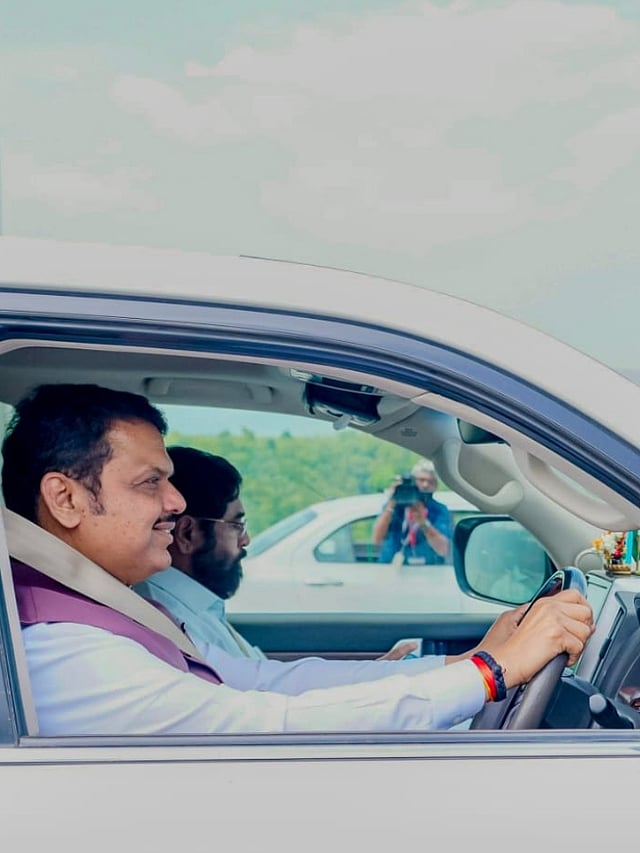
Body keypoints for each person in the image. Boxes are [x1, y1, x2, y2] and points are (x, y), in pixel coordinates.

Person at [1, 383, 594, 736]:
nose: (176, 504)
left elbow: (261, 681)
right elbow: (264, 728)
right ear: (66, 499)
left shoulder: (100, 614)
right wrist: (489, 675)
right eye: (150, 482)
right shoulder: (64, 648)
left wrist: (464, 663)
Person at [135, 447, 470, 692]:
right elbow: (263, 687)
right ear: (188, 534)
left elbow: (267, 679)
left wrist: (379, 676)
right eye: (237, 525)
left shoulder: (193, 609)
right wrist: (461, 672)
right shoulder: (165, 619)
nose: (247, 540)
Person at [373, 459, 452, 565]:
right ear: (413, 482)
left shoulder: (439, 511)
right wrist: (393, 500)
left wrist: (424, 523)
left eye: (431, 482)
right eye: (421, 480)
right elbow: (377, 539)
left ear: (436, 486)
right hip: (392, 568)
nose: (425, 485)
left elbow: (444, 550)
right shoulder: (393, 507)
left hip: (429, 570)